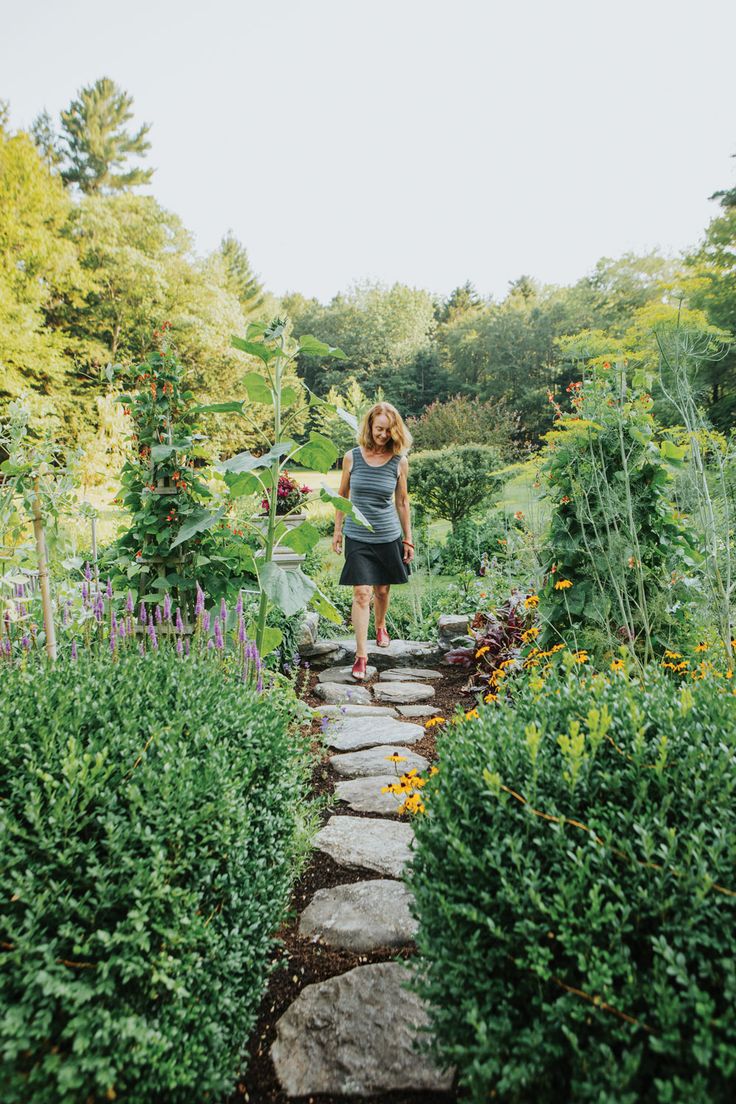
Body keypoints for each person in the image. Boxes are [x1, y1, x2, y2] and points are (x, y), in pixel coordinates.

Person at [332, 402, 414, 681]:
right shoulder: (351, 457)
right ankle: (361, 655)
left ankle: (381, 625)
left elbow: (402, 502)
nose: (383, 434)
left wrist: (408, 540)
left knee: (381, 591)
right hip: (357, 535)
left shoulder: (399, 461)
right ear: (369, 426)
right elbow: (342, 497)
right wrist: (337, 531)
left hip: (387, 535)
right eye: (379, 428)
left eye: (388, 430)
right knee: (362, 593)